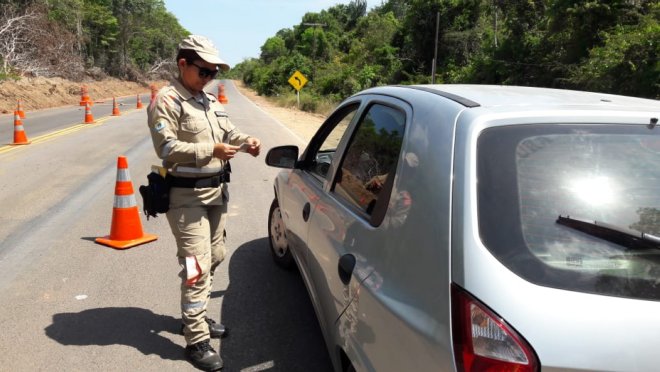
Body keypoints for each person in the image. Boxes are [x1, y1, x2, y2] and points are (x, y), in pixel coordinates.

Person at [147, 35, 261, 371]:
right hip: (186, 197)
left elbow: (229, 132)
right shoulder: (166, 101)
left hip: (216, 194)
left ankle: (194, 315)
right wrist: (209, 151)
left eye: (213, 73)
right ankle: (196, 338)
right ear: (183, 64)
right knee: (196, 268)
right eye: (204, 71)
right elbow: (166, 149)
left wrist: (247, 141)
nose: (209, 77)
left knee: (216, 255)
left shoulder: (208, 100)